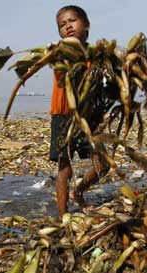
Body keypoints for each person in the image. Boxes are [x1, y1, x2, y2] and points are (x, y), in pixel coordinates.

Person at [50, 5, 109, 219]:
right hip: (63, 115)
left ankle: (79, 192)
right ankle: (63, 217)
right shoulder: (59, 52)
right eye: (62, 25)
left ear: (86, 25)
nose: (68, 26)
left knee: (103, 165)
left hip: (89, 117)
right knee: (65, 169)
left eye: (72, 21)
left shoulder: (98, 55)